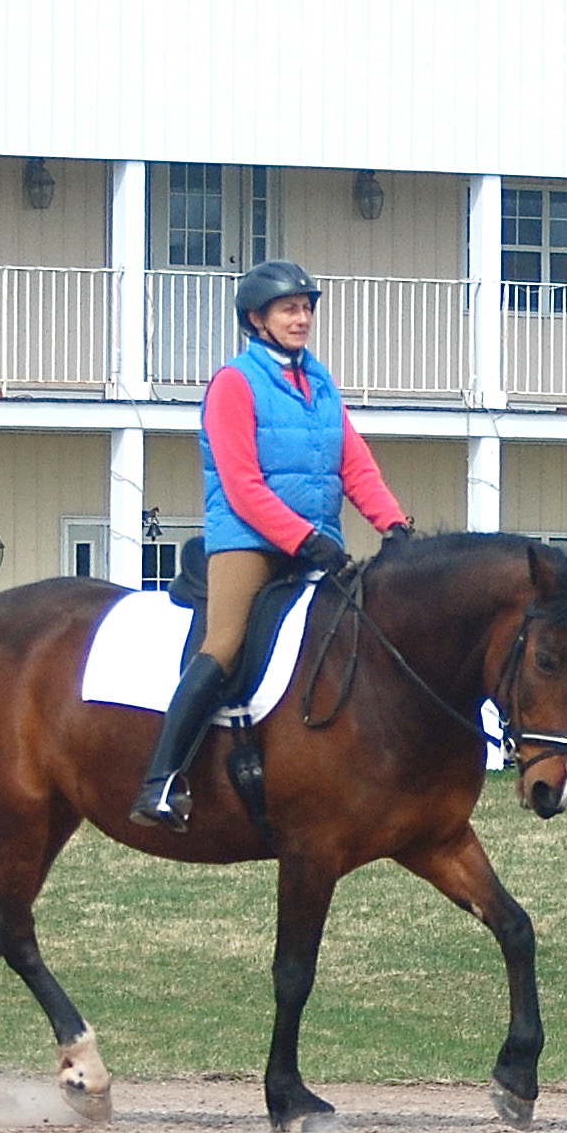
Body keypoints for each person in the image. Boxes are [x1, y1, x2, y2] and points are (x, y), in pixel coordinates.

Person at [129, 261, 412, 829]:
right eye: (289, 309)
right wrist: (301, 538)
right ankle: (160, 781)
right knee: (226, 644)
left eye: (307, 308)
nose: (302, 318)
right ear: (257, 320)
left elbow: (352, 462)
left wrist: (393, 523)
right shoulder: (234, 383)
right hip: (248, 541)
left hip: (317, 542)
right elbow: (241, 483)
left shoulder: (322, 382)